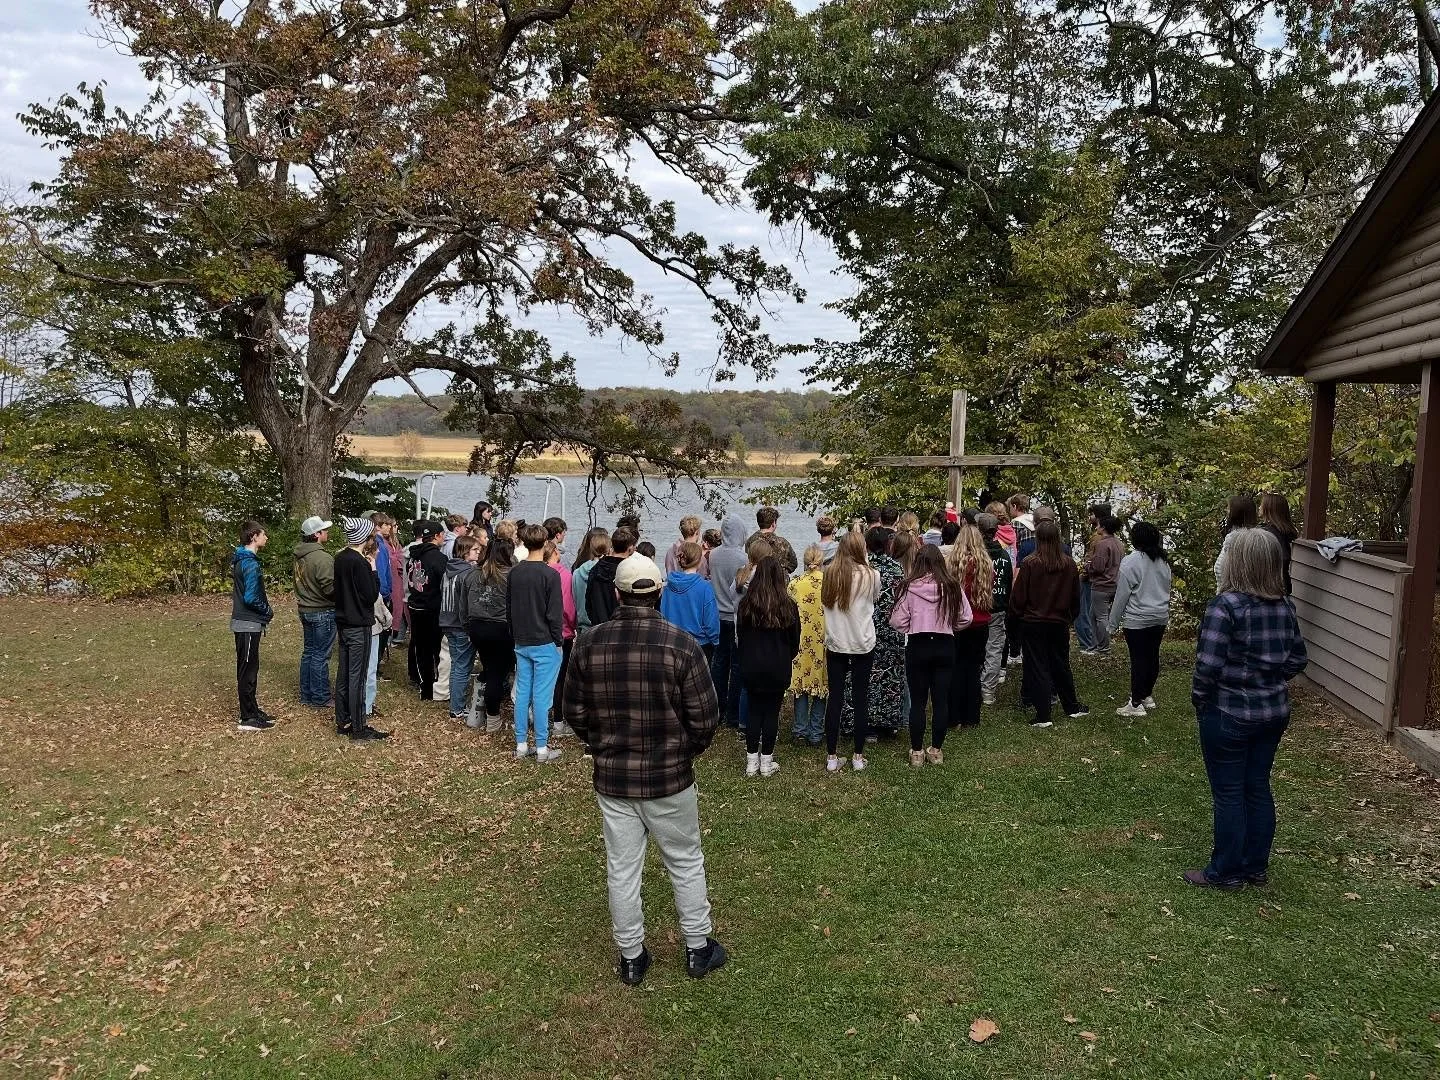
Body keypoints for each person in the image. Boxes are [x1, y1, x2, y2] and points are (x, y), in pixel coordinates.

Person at [563, 552, 727, 986]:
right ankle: (696, 947)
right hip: (667, 776)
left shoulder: (589, 643)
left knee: (623, 866)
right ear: (658, 593)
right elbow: (705, 717)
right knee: (685, 861)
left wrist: (601, 744)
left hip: (616, 776)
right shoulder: (681, 645)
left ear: (617, 594)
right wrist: (683, 751)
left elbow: (574, 710)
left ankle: (632, 955)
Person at [1188, 529, 1307, 889]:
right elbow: (1297, 658)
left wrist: (1202, 697)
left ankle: (1225, 871)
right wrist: (1266, 677)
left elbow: (1207, 666)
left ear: (1237, 563)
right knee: (1256, 786)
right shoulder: (1285, 605)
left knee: (1229, 792)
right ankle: (1255, 865)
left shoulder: (1226, 607)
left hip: (1229, 712)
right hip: (1272, 712)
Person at [890, 543, 971, 765]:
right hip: (944, 643)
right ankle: (936, 749)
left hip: (919, 643)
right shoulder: (952, 586)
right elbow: (967, 617)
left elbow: (896, 620)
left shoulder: (909, 587)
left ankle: (916, 751)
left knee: (918, 701)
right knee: (940, 700)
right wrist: (950, 624)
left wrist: (911, 624)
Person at [1009, 519, 1089, 728]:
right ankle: (1071, 706)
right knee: (1060, 664)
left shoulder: (1030, 563)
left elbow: (1018, 596)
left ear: (1038, 539)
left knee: (1038, 666)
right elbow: (1075, 596)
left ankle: (1043, 714)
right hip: (1058, 621)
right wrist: (1070, 616)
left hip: (1034, 621)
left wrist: (1018, 616)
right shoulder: (1068, 564)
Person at [821, 530, 882, 773]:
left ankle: (832, 756)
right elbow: (874, 601)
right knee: (860, 698)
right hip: (861, 642)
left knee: (835, 698)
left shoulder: (829, 574)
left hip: (837, 642)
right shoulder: (871, 576)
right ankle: (857, 755)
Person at [736, 557, 801, 778]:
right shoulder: (788, 606)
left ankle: (751, 761)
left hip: (751, 664)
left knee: (754, 711)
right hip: (778, 665)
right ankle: (766, 761)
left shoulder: (746, 605)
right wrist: (785, 657)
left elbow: (740, 637)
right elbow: (795, 641)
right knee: (772, 713)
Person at [509, 522, 565, 761]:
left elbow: (509, 608)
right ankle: (542, 746)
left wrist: (514, 633)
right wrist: (558, 639)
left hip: (522, 639)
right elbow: (554, 612)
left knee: (523, 693)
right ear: (544, 543)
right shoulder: (550, 575)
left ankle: (521, 743)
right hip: (544, 641)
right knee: (542, 696)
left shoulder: (515, 572)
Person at [844, 527, 907, 740]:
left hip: (863, 628)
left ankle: (862, 722)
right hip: (891, 629)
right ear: (887, 544)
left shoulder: (862, 568)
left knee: (863, 677)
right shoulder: (897, 570)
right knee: (889, 677)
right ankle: (887, 723)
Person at [1109, 521, 1173, 717]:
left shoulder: (1131, 561)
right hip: (1160, 616)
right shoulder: (1163, 561)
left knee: (1139, 659)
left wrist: (1112, 623)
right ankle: (1146, 695)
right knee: (1152, 656)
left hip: (1138, 618)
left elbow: (1122, 595)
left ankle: (1135, 703)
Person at [333, 517, 389, 741]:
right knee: (358, 675)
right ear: (364, 538)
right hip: (359, 624)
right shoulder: (360, 562)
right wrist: (374, 569)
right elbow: (370, 595)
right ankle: (358, 727)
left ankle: (343, 718)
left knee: (344, 673)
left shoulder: (340, 558)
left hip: (344, 621)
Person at [465, 536, 515, 734]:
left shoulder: (474, 574)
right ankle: (493, 717)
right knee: (497, 673)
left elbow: (464, 602)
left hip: (477, 627)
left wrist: (466, 626)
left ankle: (478, 710)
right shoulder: (510, 575)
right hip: (500, 628)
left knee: (489, 668)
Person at [947, 523, 994, 729]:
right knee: (974, 668)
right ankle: (971, 716)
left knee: (956, 668)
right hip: (980, 621)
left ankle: (954, 716)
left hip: (957, 622)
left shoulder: (953, 563)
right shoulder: (985, 563)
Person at [231, 520, 275, 731]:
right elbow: (250, 597)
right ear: (254, 536)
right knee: (247, 670)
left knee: (251, 667)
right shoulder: (249, 563)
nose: (266, 538)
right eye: (263, 534)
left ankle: (253, 709)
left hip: (249, 623)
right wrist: (267, 611)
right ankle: (247, 717)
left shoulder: (245, 560)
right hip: (247, 623)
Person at [709, 515, 750, 728]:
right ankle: (733, 714)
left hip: (717, 615)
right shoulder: (743, 559)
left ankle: (717, 708)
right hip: (735, 616)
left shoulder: (713, 555)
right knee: (736, 666)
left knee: (719, 663)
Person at [293, 515, 336, 708]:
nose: (327, 533)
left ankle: (306, 694)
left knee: (309, 653)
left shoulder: (299, 556)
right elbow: (329, 588)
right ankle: (320, 697)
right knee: (320, 655)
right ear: (316, 534)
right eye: (324, 530)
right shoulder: (322, 558)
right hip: (322, 610)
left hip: (305, 608)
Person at [788, 544, 828, 746]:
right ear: (822, 562)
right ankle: (816, 732)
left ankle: (800, 730)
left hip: (800, 640)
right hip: (822, 639)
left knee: (800, 685)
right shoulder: (828, 583)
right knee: (820, 685)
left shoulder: (794, 584)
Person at [406, 520, 448, 701]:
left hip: (415, 604)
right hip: (433, 607)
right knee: (436, 647)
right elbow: (444, 585)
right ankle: (436, 683)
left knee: (420, 646)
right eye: (442, 535)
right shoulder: (439, 559)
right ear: (437, 536)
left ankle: (425, 685)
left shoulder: (414, 555)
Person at [440, 534, 481, 721]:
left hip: (447, 621)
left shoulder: (448, 570)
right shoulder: (467, 573)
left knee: (457, 664)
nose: (478, 553)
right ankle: (457, 707)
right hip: (460, 624)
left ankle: (456, 704)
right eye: (475, 550)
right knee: (462, 666)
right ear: (465, 552)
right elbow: (468, 602)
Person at [977, 513, 1014, 706]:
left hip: (979, 608)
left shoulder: (976, 556)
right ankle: (988, 691)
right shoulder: (1005, 556)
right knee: (993, 650)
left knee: (976, 649)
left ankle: (976, 687)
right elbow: (1008, 583)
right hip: (998, 608)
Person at [660, 541, 721, 659]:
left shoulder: (668, 587)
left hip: (672, 641)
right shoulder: (705, 587)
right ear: (699, 561)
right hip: (699, 644)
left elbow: (663, 612)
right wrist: (714, 640)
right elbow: (711, 621)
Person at [544, 539, 578, 738]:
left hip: (538, 633)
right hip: (561, 632)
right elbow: (568, 608)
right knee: (559, 679)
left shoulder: (537, 573)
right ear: (555, 552)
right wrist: (572, 626)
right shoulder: (564, 575)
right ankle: (557, 720)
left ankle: (536, 715)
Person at [1084, 515, 1125, 657]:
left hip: (1102, 585)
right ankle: (1094, 646)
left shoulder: (1102, 544)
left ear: (1104, 527)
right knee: (1093, 615)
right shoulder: (1119, 544)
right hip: (1115, 583)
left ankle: (1103, 648)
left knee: (1101, 617)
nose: (1096, 527)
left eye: (1098, 524)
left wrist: (1087, 566)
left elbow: (1098, 567)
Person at [1075, 503, 1110, 653]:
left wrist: (1082, 575)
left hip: (1090, 580)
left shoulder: (1097, 537)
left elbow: (1092, 559)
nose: (1089, 517)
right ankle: (1095, 642)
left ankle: (1088, 643)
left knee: (1084, 612)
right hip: (1101, 580)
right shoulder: (1109, 536)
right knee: (1096, 614)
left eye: (1092, 514)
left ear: (1098, 517)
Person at [586, 526, 635, 628]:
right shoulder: (631, 571)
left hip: (598, 627)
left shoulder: (596, 569)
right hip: (623, 628)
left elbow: (588, 603)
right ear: (630, 548)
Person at [1213, 494, 1258, 591]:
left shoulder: (1236, 538)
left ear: (1236, 514)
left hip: (1234, 597)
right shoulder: (1257, 537)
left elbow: (1221, 571)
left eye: (1229, 509)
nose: (1226, 511)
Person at [572, 528, 611, 636]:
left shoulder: (577, 572)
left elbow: (574, 599)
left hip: (583, 628)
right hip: (603, 628)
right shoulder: (607, 572)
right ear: (608, 549)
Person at [1260, 492, 1297, 595]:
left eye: (1262, 505)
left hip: (1272, 587)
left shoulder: (1271, 533)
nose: (1259, 507)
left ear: (1269, 508)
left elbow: (1284, 557)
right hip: (1282, 584)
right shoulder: (1286, 532)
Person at [747, 506, 798, 575]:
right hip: (780, 583)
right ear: (773, 523)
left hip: (757, 581)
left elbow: (748, 561)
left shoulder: (751, 541)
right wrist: (783, 571)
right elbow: (793, 563)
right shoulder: (783, 543)